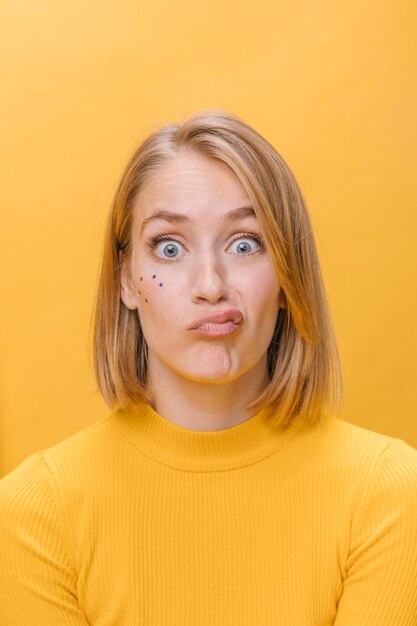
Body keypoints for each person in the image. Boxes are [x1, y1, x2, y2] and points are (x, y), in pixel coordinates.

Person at [0, 110, 416, 625]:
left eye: (245, 244)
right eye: (169, 247)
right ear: (126, 280)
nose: (211, 284)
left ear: (288, 276)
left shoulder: (390, 493)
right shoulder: (35, 512)